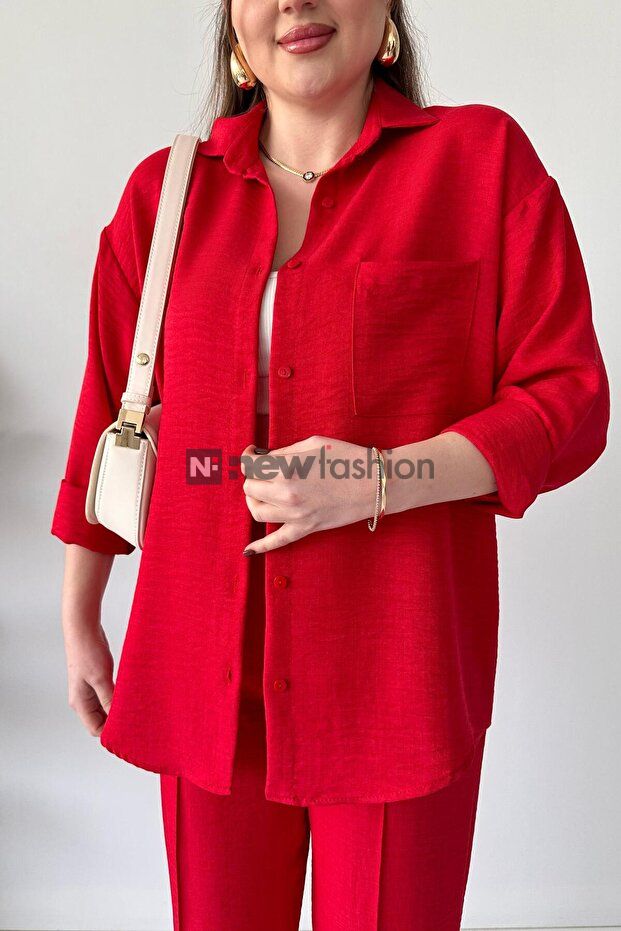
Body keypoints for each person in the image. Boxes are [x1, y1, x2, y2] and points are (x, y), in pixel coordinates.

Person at [50, 1, 610, 928]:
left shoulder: (479, 164)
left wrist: (378, 477)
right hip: (201, 666)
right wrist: (79, 617)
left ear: (386, 13)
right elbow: (111, 410)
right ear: (233, 28)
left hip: (396, 664)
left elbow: (567, 398)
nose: (295, 2)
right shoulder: (164, 195)